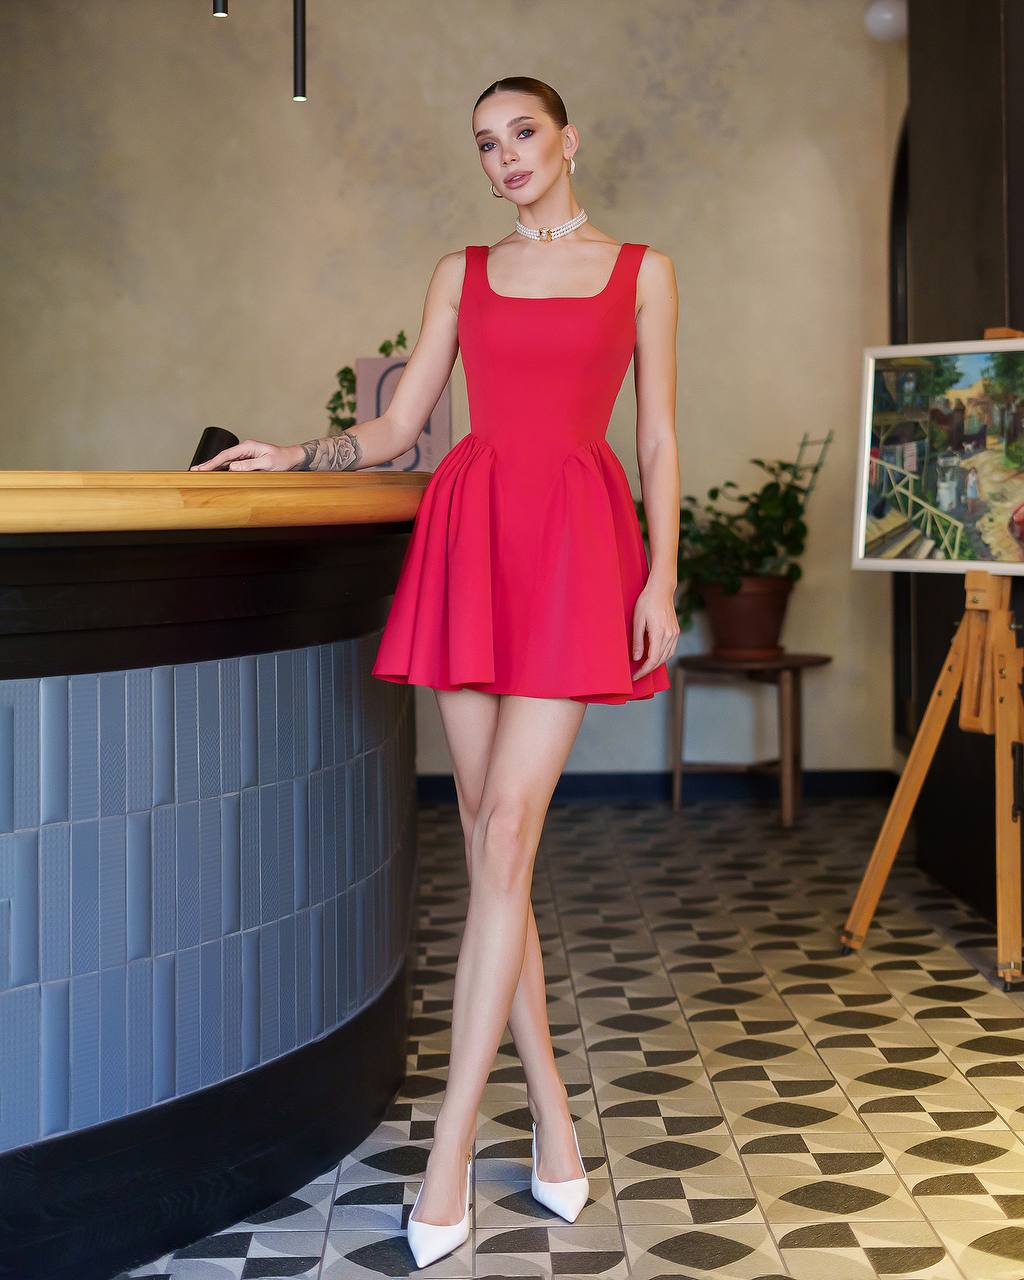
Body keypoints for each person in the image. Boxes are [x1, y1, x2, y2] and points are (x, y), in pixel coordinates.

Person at [191, 75, 680, 1270]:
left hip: (574, 545)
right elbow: (405, 424)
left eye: (522, 134)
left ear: (569, 138)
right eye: (484, 144)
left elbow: (660, 433)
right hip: (470, 536)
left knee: (506, 830)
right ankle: (555, 1118)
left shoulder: (642, 270)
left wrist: (662, 577)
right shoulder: (460, 270)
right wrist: (294, 452)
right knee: (484, 839)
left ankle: (454, 1140)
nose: (504, 157)